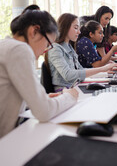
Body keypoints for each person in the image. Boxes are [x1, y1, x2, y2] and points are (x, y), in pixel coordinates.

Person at [0, 9, 78, 138]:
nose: (45, 51)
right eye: (47, 44)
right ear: (34, 31)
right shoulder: (20, 49)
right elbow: (44, 112)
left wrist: (43, 98)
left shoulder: (6, 46)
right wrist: (69, 97)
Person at [47, 13, 117, 90]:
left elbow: (81, 70)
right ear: (65, 27)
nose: (79, 32)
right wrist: (102, 69)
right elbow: (68, 75)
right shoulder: (55, 49)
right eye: (76, 28)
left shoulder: (69, 47)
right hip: (63, 91)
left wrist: (104, 72)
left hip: (74, 87)